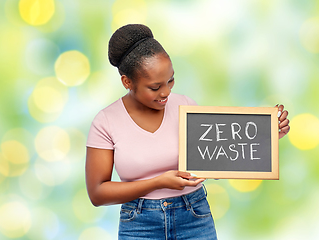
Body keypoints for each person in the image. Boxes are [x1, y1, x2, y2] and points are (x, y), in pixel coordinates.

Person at [85, 24, 290, 240]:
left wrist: (263, 137)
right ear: (127, 82)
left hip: (193, 215)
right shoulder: (106, 122)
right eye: (155, 87)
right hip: (139, 223)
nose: (166, 92)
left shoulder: (186, 106)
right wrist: (159, 182)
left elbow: (218, 158)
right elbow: (98, 193)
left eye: (170, 80)